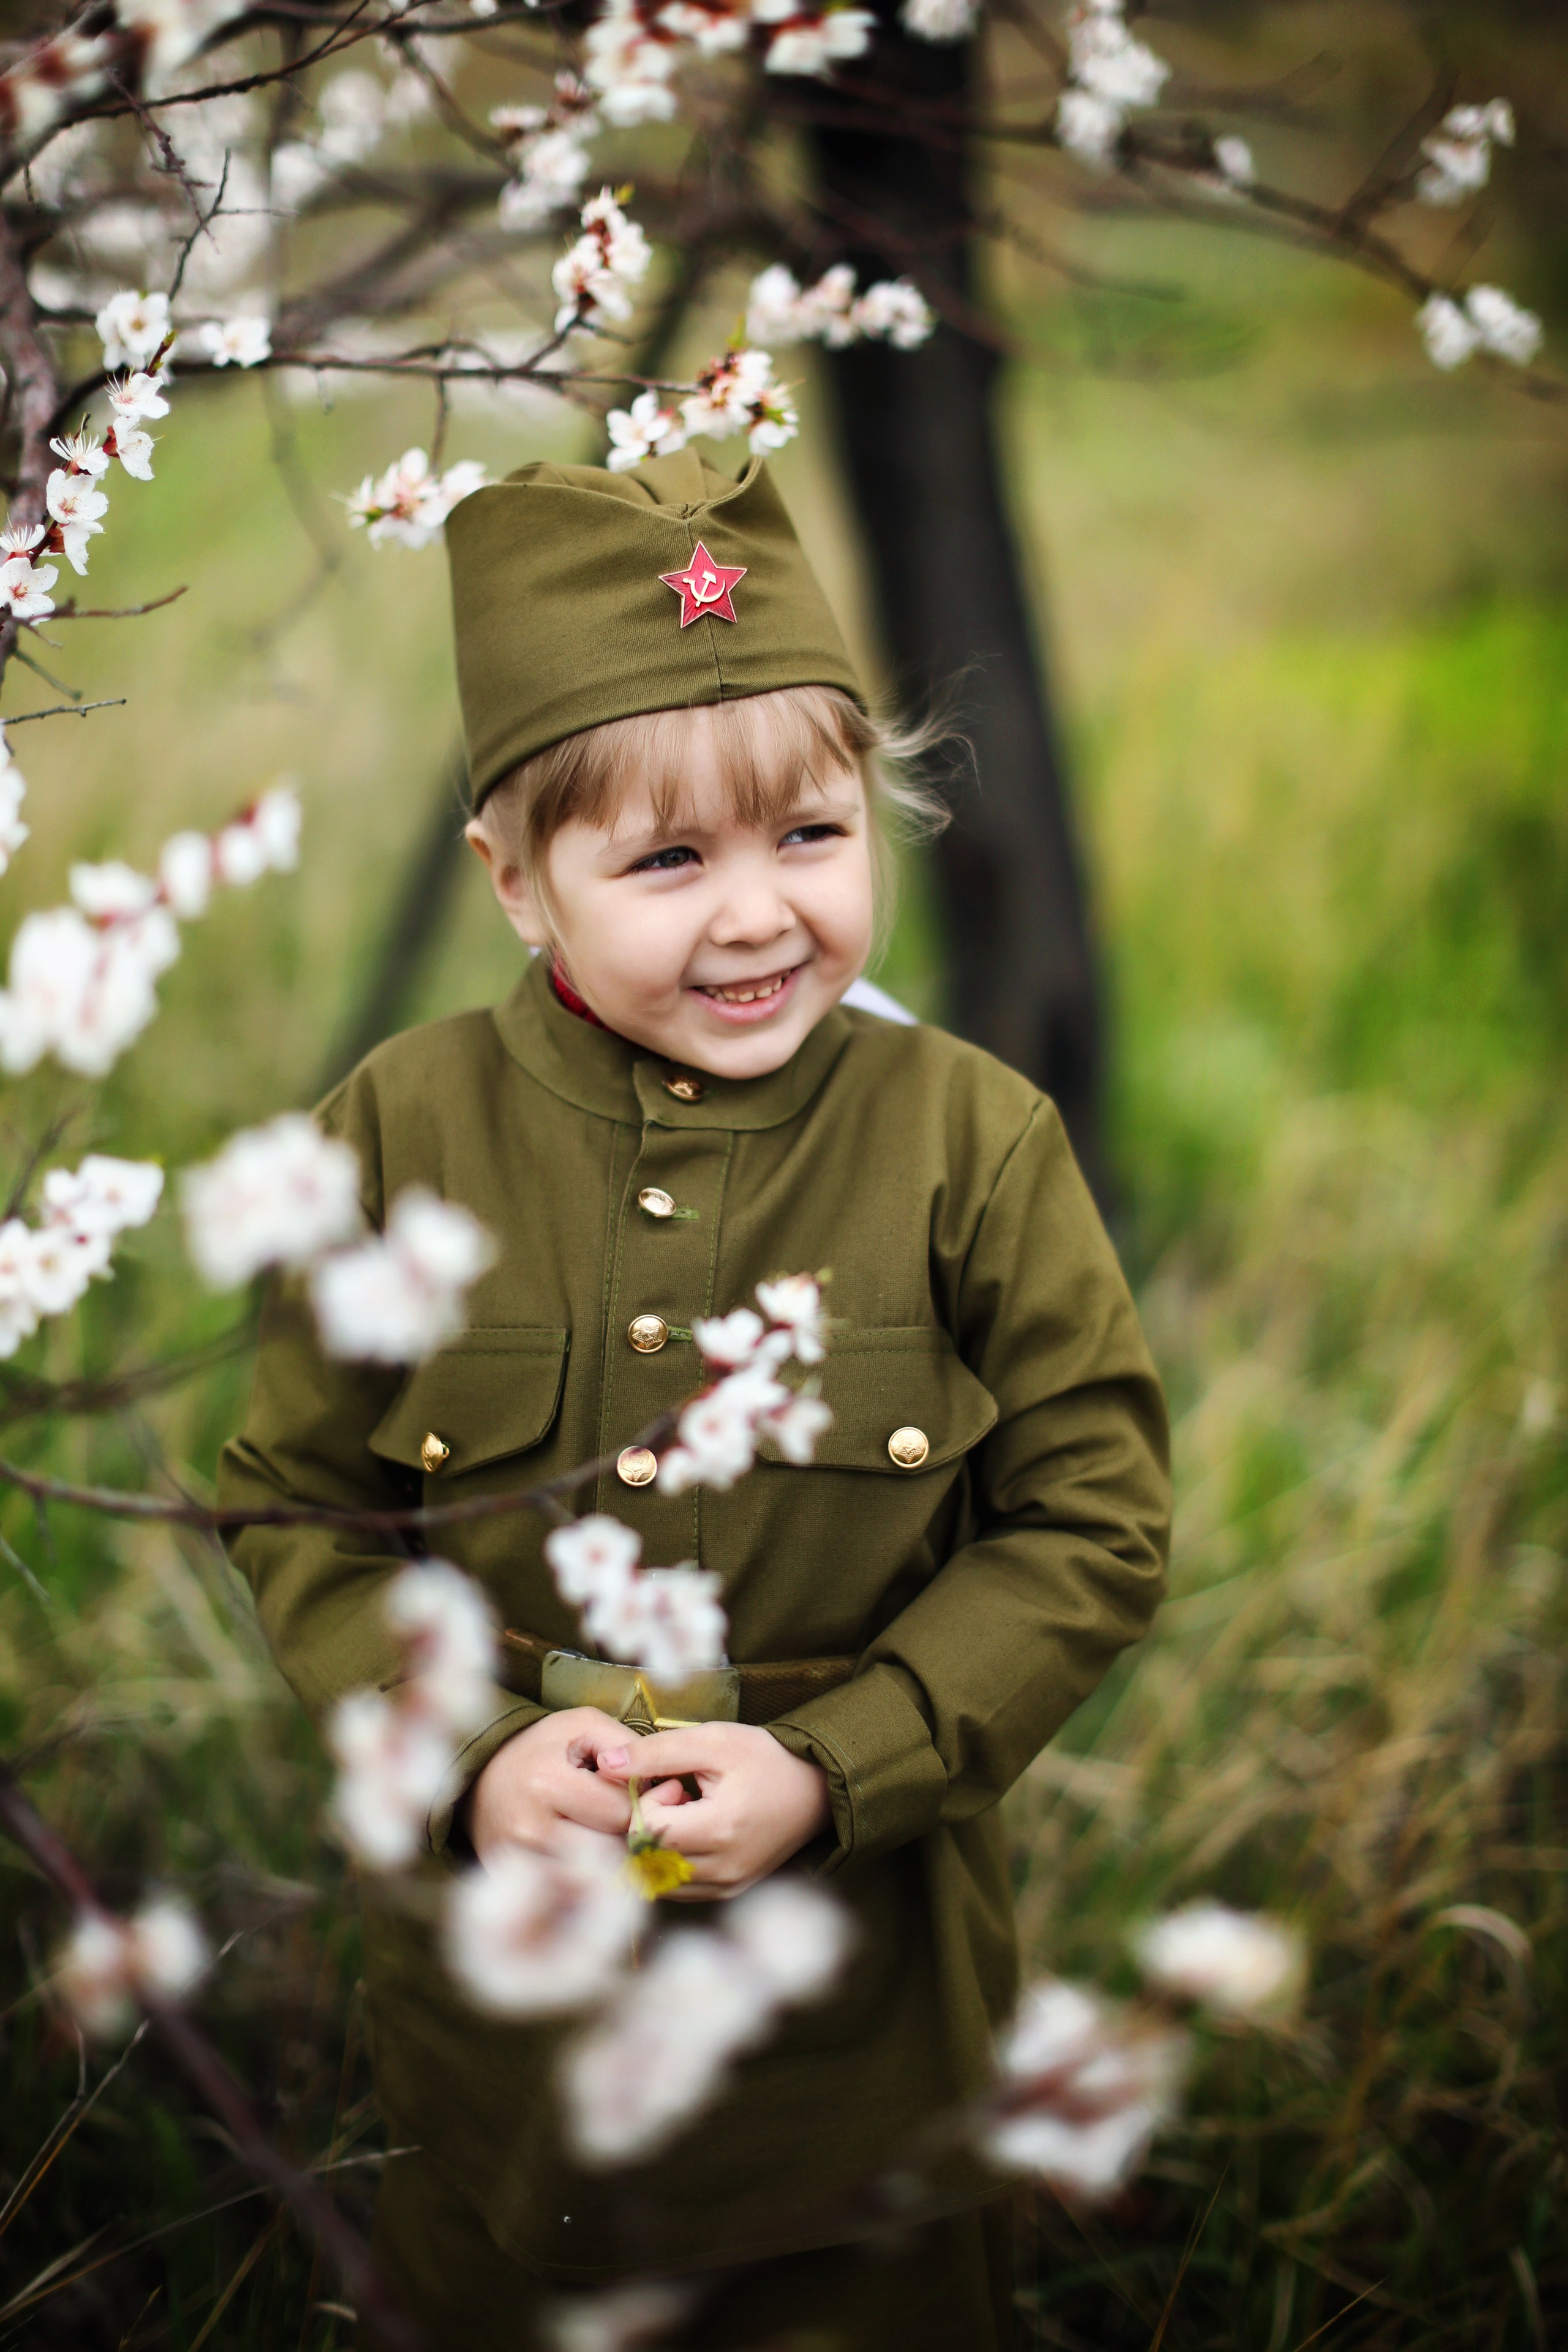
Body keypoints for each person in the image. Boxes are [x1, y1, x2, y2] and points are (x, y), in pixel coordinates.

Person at [219, 449, 1171, 2351]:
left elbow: (1092, 1517)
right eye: (668, 860)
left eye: (812, 838)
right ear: (515, 880)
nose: (756, 918)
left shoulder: (971, 1144)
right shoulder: (401, 1135)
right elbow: (304, 1502)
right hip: (516, 2021)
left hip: (865, 1991)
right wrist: (468, 1755)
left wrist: (845, 1767)